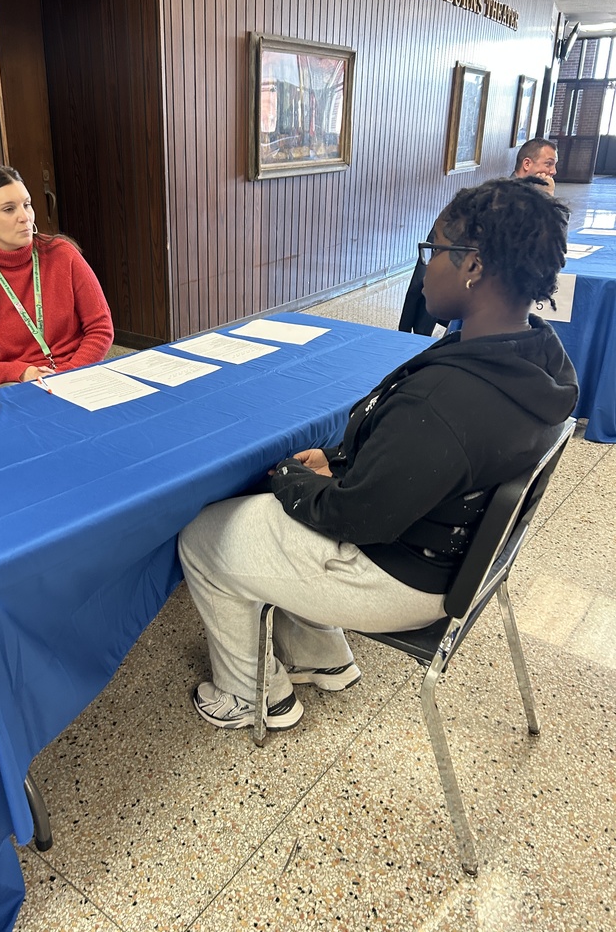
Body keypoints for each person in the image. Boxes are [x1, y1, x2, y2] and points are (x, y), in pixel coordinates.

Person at [178, 177, 578, 732]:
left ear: (473, 265)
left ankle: (249, 695)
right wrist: (342, 465)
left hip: (402, 579)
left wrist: (292, 479)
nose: (425, 267)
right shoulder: (539, 355)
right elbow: (415, 468)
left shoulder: (444, 401)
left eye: (434, 249)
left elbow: (356, 516)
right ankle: (320, 656)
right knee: (282, 514)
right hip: (449, 551)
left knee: (204, 535)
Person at [0, 165, 114, 391]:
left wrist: (66, 375)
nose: (24, 217)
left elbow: (101, 328)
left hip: (78, 374)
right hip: (18, 386)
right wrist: (23, 373)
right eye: (9, 209)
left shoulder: (63, 254)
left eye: (26, 205)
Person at [399, 141, 559, 335]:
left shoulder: (532, 206)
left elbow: (551, 248)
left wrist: (548, 202)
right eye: (549, 164)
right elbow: (429, 269)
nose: (553, 171)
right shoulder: (488, 205)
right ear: (527, 164)